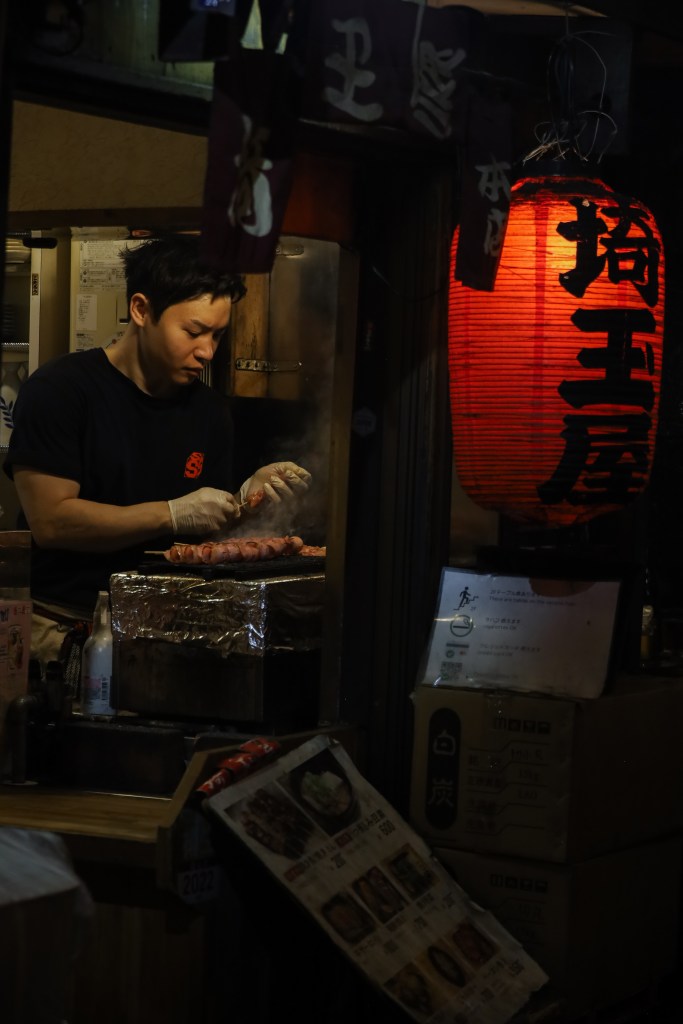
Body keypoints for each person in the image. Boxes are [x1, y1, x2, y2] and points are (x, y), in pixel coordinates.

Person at [3, 233, 311, 667]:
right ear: (141, 309)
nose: (207, 351)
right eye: (193, 332)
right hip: (62, 630)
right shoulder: (62, 391)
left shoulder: (210, 412)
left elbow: (202, 537)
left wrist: (246, 500)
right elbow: (52, 522)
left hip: (168, 629)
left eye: (218, 335)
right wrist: (171, 513)